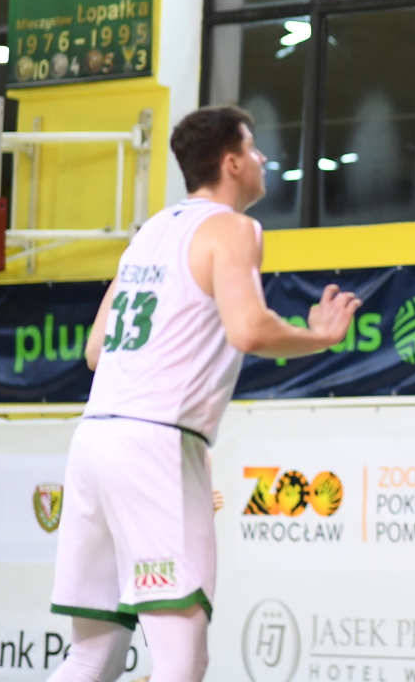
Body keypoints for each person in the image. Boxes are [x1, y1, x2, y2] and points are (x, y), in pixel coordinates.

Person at [46, 106, 362, 682]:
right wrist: (320, 336)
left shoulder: (148, 235)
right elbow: (250, 330)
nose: (263, 159)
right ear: (232, 163)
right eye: (254, 148)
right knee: (181, 658)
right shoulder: (234, 229)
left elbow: (95, 352)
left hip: (94, 440)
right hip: (155, 443)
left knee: (94, 656)